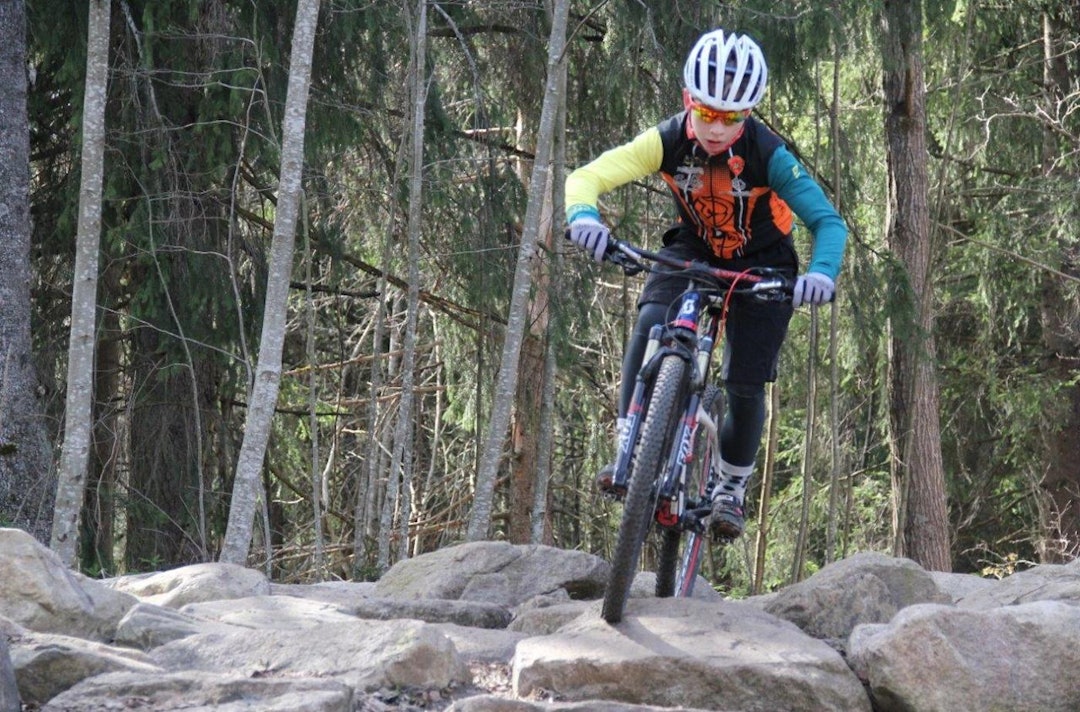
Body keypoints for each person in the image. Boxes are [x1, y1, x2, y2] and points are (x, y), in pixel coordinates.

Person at [565, 28, 847, 540]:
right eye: (708, 112)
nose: (718, 127)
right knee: (653, 318)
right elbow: (586, 177)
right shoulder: (667, 140)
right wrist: (584, 216)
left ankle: (730, 487)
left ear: (749, 114)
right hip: (694, 247)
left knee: (744, 381)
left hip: (764, 262)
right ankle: (631, 442)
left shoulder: (770, 154)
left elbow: (828, 223)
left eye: (733, 117)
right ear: (687, 99)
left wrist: (821, 273)